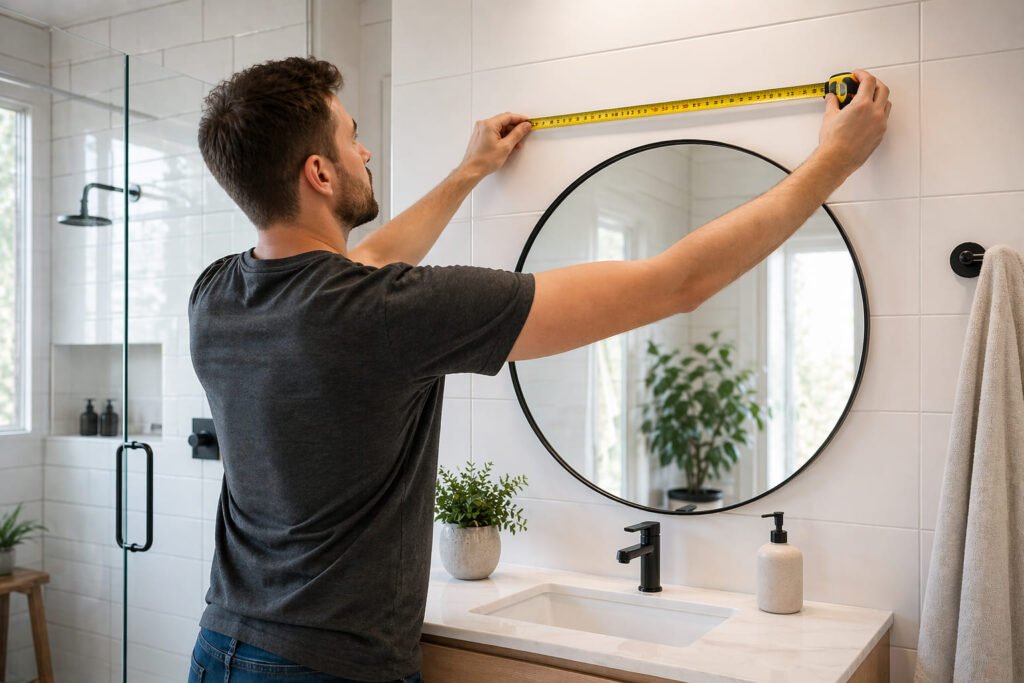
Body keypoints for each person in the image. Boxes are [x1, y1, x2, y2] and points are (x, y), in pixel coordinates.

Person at [187, 57, 890, 683]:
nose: (365, 150)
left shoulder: (215, 294)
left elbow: (362, 262)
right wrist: (835, 159)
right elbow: (676, 284)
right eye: (351, 137)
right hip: (328, 667)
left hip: (219, 645)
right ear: (319, 173)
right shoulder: (387, 313)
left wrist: (468, 172)